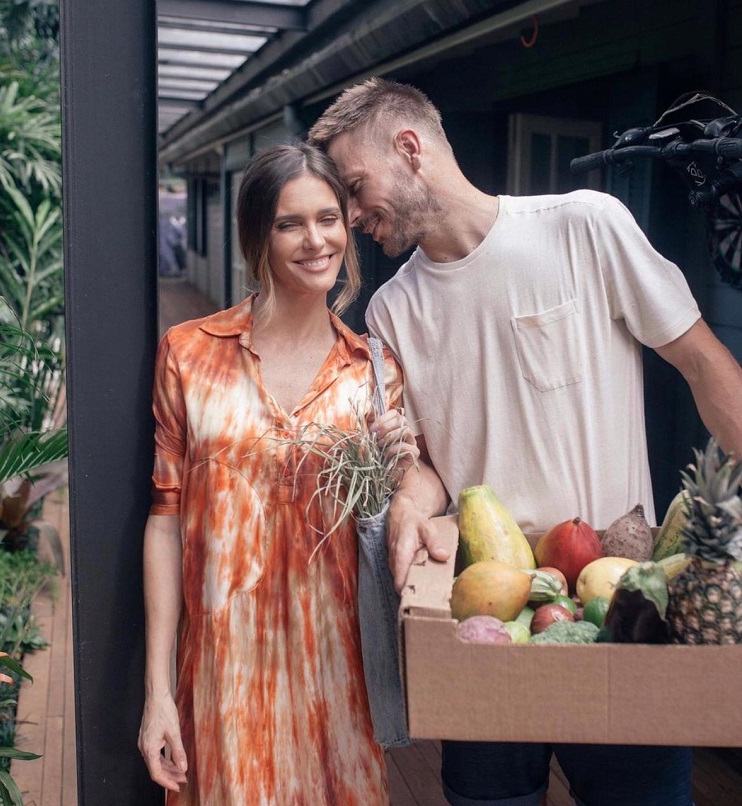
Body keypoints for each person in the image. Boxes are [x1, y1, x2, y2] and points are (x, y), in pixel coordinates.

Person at [309, 78, 742, 806]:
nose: (350, 218)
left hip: (622, 607)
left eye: (355, 188)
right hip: (488, 617)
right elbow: (431, 471)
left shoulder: (585, 226)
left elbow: (702, 362)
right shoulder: (391, 312)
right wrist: (411, 506)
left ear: (410, 149)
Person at [137, 142, 432, 805]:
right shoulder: (190, 354)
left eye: (328, 218)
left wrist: (398, 471)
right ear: (258, 236)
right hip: (223, 676)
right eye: (289, 223)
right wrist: (158, 694)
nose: (315, 240)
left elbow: (390, 515)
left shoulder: (372, 374)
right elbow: (165, 521)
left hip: (338, 679)